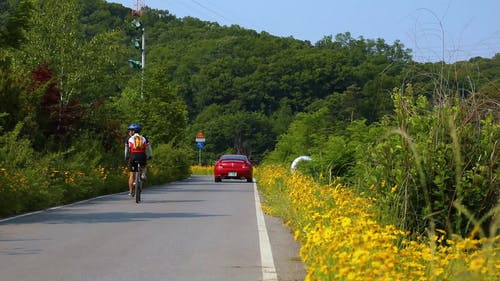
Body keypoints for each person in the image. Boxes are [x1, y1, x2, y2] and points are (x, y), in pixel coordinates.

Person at [125, 123, 152, 196]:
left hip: (133, 157)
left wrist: (126, 157)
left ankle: (131, 192)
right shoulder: (144, 138)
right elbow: (149, 148)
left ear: (133, 131)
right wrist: (150, 155)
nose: (129, 132)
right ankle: (143, 174)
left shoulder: (129, 138)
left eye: (130, 130)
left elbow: (127, 149)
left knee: (132, 174)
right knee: (144, 165)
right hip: (142, 156)